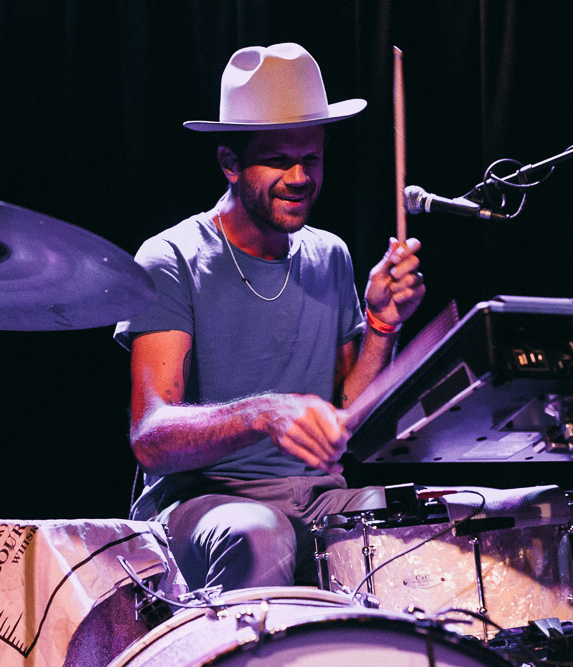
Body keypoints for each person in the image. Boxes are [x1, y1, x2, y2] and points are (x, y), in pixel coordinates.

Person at [114, 42, 425, 592]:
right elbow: (151, 437)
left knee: (427, 526)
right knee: (259, 533)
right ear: (229, 163)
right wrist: (263, 414)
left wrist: (382, 324)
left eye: (312, 158)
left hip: (320, 495)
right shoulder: (171, 258)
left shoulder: (329, 255)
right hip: (205, 503)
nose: (300, 177)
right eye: (280, 160)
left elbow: (346, 418)